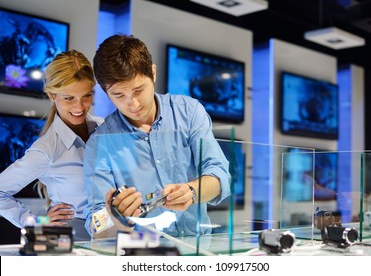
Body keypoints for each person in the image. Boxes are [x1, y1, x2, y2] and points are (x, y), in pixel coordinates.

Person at [83, 34, 231, 238]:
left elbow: (220, 177)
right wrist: (112, 217)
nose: (132, 104)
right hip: (141, 255)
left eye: (138, 90)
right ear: (105, 92)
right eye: (119, 95)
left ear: (153, 73)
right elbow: (95, 223)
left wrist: (192, 191)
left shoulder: (188, 112)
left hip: (198, 248)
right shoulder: (100, 143)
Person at [0, 50, 103, 241]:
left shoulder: (103, 127)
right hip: (70, 240)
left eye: (86, 96)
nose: (79, 107)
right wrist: (37, 223)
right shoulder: (46, 149)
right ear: (51, 95)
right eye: (69, 98)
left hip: (111, 234)